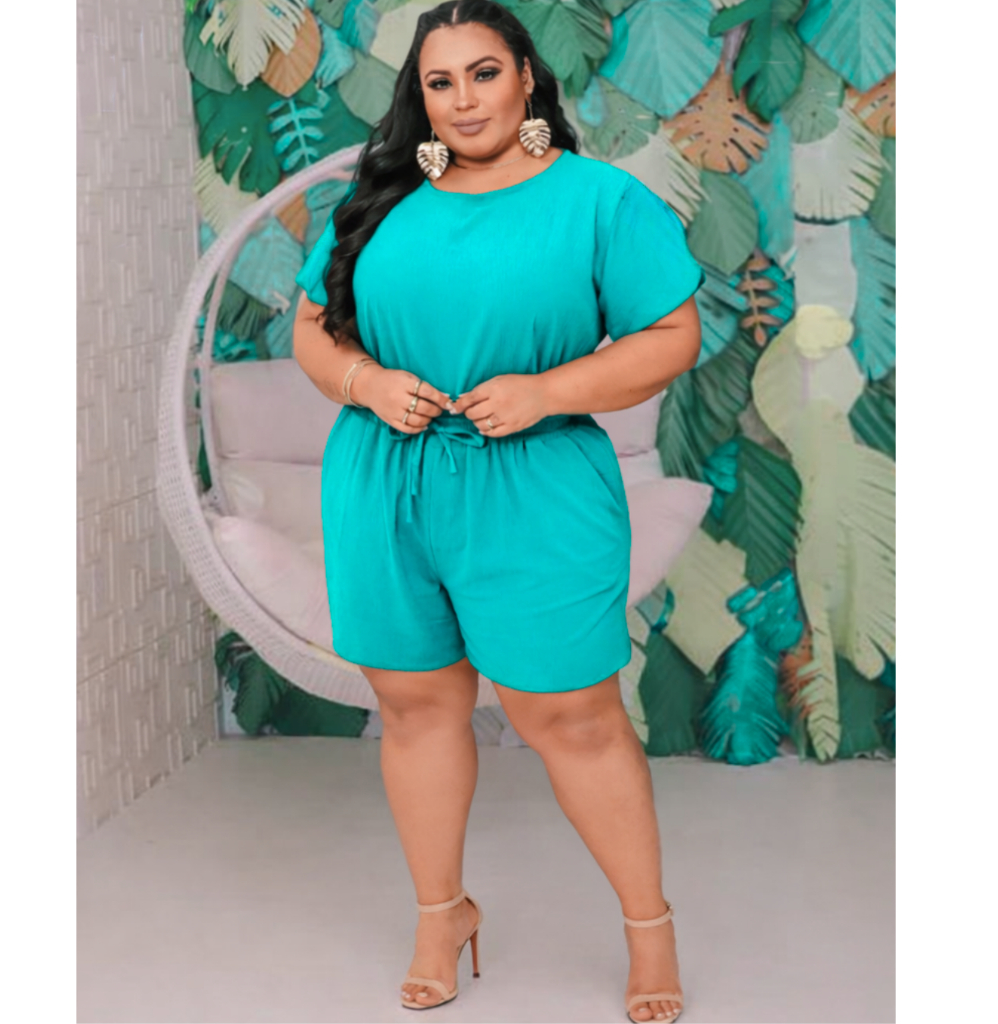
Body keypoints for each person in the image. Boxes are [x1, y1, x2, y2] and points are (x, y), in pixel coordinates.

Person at [292, 3, 704, 1021]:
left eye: (484, 73)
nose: (464, 99)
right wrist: (363, 383)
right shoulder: (381, 197)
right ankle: (443, 914)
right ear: (420, 96)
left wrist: (547, 391)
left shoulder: (599, 200)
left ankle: (649, 929)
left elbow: (672, 337)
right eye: (440, 82)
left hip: (536, 484)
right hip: (382, 481)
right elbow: (311, 329)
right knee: (414, 706)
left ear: (525, 76)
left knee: (572, 716)